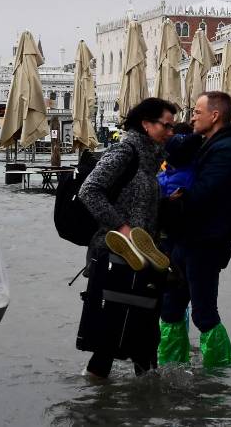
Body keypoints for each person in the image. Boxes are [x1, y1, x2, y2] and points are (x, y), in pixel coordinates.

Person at [78, 97, 177, 379]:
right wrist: (122, 228)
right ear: (146, 124)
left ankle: (138, 404)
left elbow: (139, 202)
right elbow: (90, 190)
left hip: (142, 257)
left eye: (172, 127)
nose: (171, 132)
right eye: (166, 126)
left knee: (142, 338)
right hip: (115, 255)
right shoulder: (125, 151)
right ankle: (128, 405)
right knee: (111, 342)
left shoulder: (151, 159)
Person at [158, 92, 231, 368]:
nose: (193, 116)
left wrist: (167, 202)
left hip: (206, 241)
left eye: (198, 112)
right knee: (171, 308)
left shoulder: (228, 149)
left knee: (204, 312)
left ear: (215, 115)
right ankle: (171, 368)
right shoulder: (208, 144)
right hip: (185, 238)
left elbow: (204, 193)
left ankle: (217, 376)